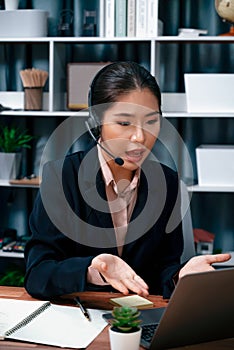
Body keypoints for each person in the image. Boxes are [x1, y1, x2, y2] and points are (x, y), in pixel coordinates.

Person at [24, 61, 230, 300]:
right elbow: (38, 273)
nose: (140, 137)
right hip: (83, 317)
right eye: (124, 123)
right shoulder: (62, 178)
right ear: (96, 124)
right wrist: (93, 270)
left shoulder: (167, 182)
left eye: (151, 122)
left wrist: (180, 275)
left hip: (141, 320)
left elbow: (164, 267)